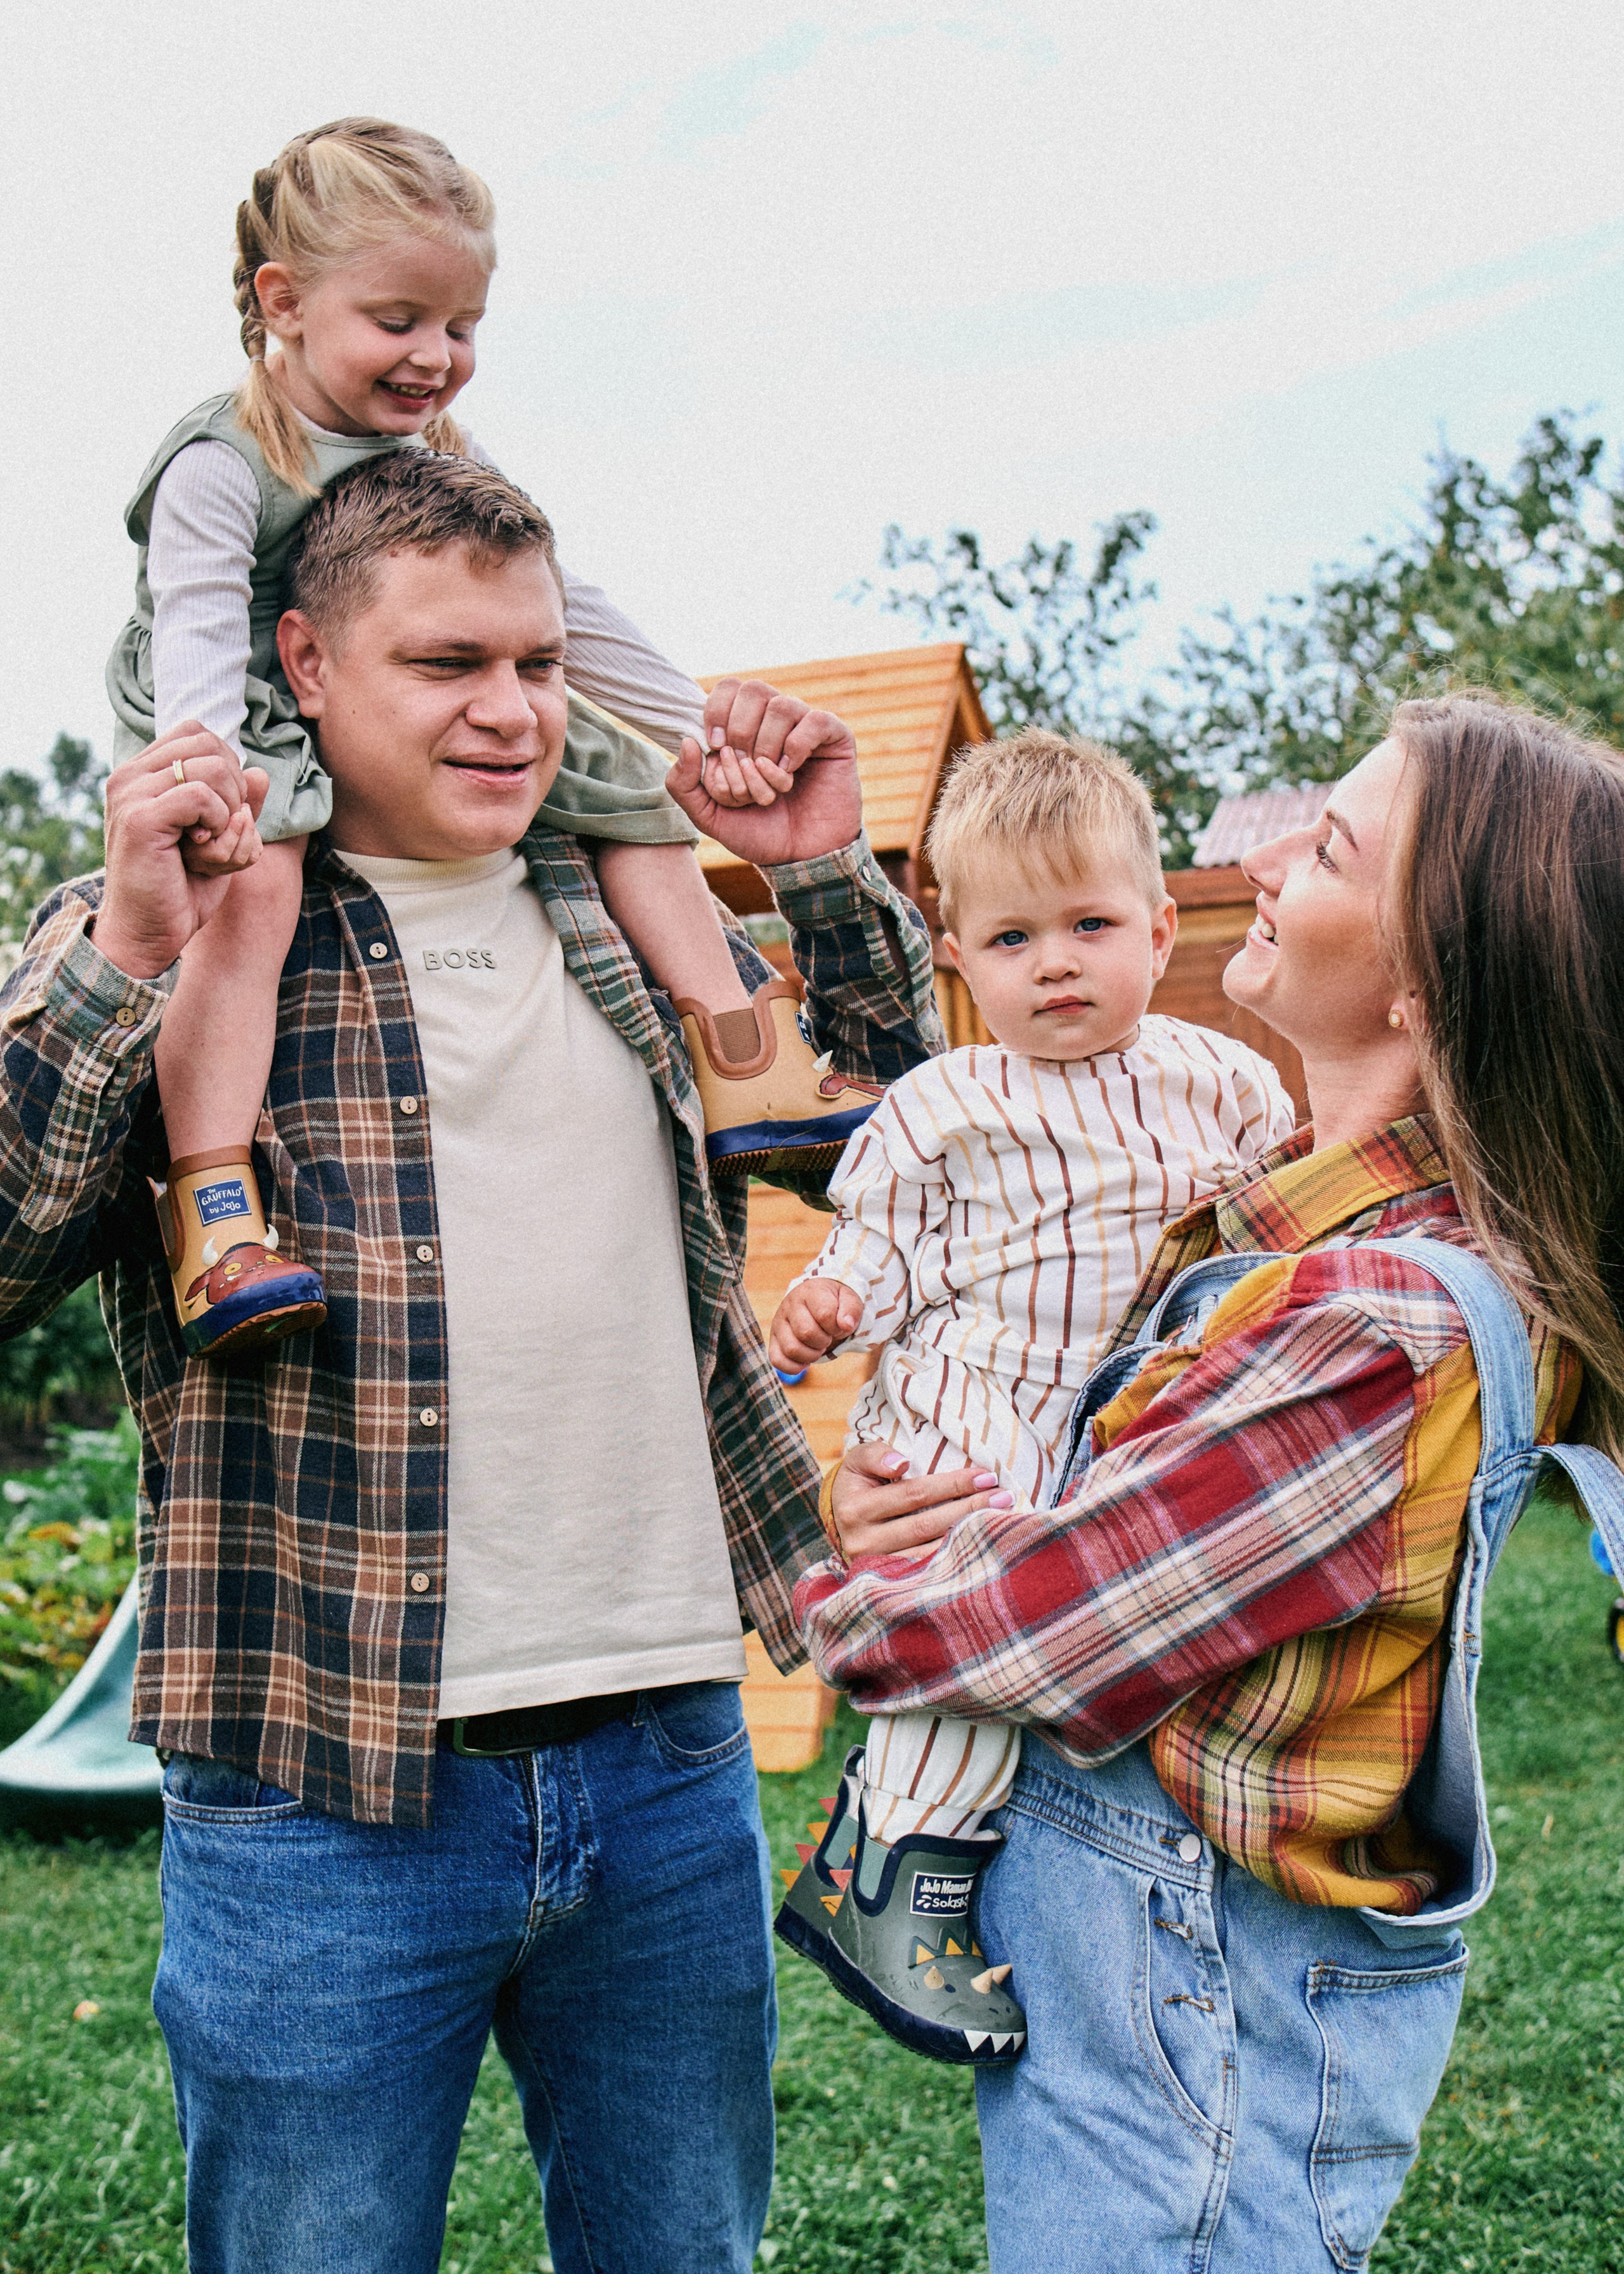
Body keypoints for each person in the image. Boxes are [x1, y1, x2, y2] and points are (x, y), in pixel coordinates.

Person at [0, 447, 945, 2274]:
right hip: (323, 1798)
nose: (512, 712)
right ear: (303, 662)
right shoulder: (188, 934)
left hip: (671, 1761)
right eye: (448, 665)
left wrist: (821, 859)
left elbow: (904, 1126)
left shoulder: (622, 909)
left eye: (535, 662)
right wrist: (124, 941)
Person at [796, 693, 1624, 2270]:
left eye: (1319, 848)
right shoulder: (1289, 1223)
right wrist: (903, 1489)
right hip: (1167, 2000)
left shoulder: (1372, 1324)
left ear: (1422, 986)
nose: (1257, 865)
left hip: (1199, 2016)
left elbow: (1050, 1616)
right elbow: (999, 1147)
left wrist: (823, 1584)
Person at [108, 115, 876, 1359]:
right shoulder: (223, 460)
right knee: (253, 897)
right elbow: (199, 620)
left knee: (629, 783)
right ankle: (216, 1211)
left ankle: (748, 1057)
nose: (436, 356)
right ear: (283, 302)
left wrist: (697, 728)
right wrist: (217, 785)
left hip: (367, 706)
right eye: (400, 319)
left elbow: (566, 607)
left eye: (461, 327)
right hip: (241, 710)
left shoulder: (436, 456)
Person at [769, 732, 1294, 2062]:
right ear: (954, 955)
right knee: (971, 1617)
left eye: (1087, 923)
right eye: (1010, 939)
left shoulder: (1215, 1075)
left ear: (1160, 925)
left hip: (1113, 1412)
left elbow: (1270, 1217)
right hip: (974, 1394)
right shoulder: (942, 1101)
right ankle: (899, 1875)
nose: (1053, 961)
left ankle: (882, 1845)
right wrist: (828, 1306)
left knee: (1075, 1624)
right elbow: (870, 1257)